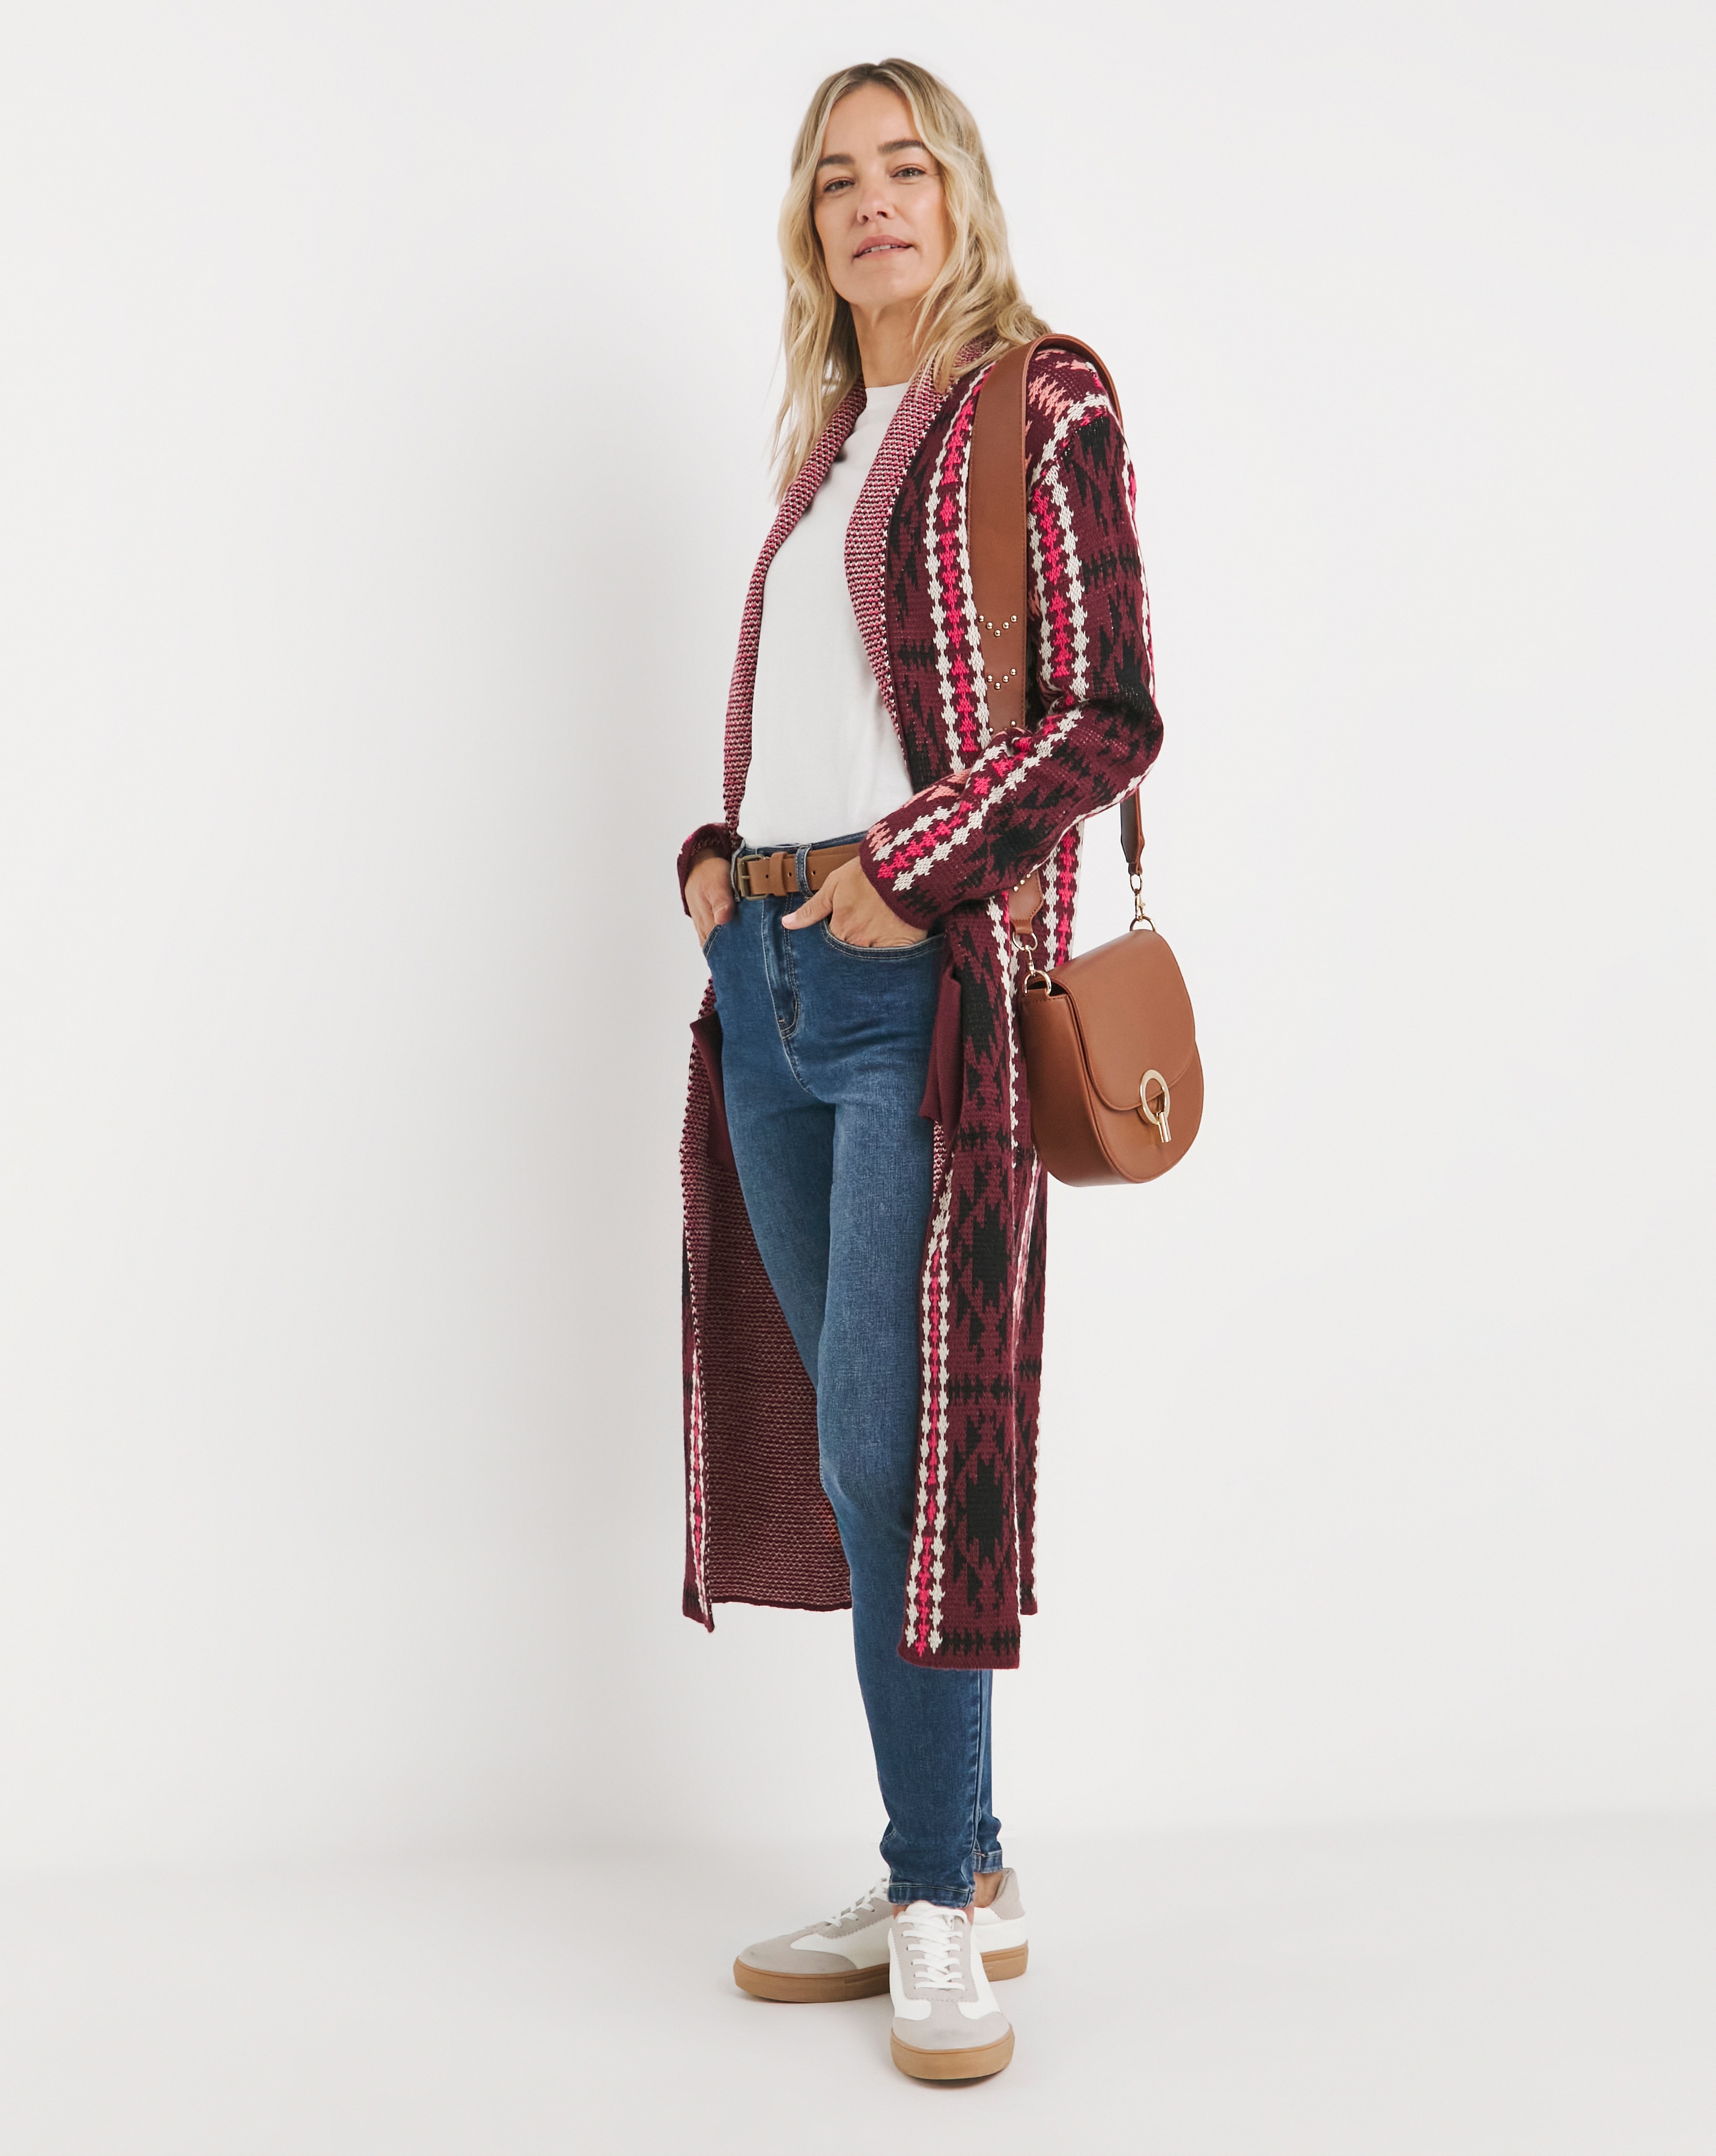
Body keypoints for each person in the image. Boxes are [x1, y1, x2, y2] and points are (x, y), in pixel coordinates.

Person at [676, 58, 1161, 2083]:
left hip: (923, 993)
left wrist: (911, 868)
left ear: (959, 193)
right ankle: (962, 1855)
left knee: (900, 1447)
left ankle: (935, 1898)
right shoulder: (824, 448)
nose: (872, 200)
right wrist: (723, 864)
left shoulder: (1043, 399)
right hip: (771, 981)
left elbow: (1109, 713)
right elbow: (818, 719)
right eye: (835, 179)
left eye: (905, 165)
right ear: (811, 227)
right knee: (859, 1450)